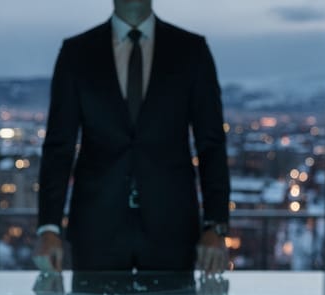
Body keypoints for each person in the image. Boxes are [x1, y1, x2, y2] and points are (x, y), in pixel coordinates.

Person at [35, 0, 231, 279]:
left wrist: (215, 225)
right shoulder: (76, 53)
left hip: (172, 227)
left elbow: (211, 144)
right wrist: (49, 227)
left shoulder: (191, 51)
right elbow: (59, 146)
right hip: (96, 228)